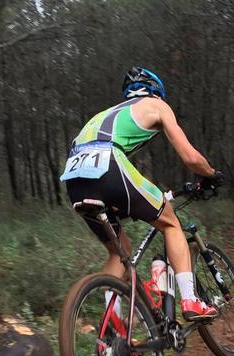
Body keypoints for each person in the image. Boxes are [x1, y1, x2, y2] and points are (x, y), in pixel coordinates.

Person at [61, 66, 222, 320]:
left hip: (74, 177)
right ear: (156, 91)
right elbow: (191, 158)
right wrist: (210, 174)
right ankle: (191, 302)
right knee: (170, 224)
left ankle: (112, 331)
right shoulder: (156, 105)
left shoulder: (104, 114)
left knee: (119, 250)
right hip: (108, 164)